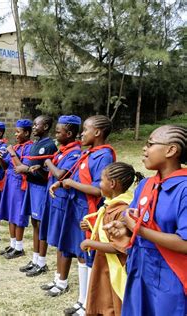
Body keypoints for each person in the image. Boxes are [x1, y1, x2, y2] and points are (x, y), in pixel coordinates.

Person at [104, 125, 187, 316]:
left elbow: (185, 242)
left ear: (171, 150)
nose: (144, 148)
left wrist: (139, 230)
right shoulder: (146, 184)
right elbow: (133, 219)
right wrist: (125, 228)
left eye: (150, 144)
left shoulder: (184, 189)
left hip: (170, 276)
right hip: (140, 270)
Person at [50, 115, 116, 315]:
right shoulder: (89, 153)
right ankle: (82, 300)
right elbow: (76, 175)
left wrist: (70, 184)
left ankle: (89, 303)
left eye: (86, 130)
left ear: (97, 132)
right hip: (77, 207)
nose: (82, 134)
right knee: (80, 253)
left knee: (88, 255)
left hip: (90, 210)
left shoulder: (104, 155)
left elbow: (99, 190)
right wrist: (61, 182)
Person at [80, 162, 142, 316]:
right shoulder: (110, 205)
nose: (99, 184)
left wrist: (89, 242)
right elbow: (108, 233)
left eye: (101, 180)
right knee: (103, 300)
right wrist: (91, 228)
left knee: (112, 303)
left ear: (112, 183)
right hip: (103, 264)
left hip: (114, 267)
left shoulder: (123, 210)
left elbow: (120, 246)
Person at [37, 115, 82, 297]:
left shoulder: (75, 153)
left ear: (69, 133)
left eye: (58, 132)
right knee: (56, 240)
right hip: (54, 198)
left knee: (63, 242)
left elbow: (62, 174)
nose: (56, 135)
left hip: (63, 201)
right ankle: (57, 277)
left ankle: (62, 282)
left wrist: (47, 162)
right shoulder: (63, 151)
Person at [17, 115, 57, 276]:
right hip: (32, 187)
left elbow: (46, 173)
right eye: (33, 125)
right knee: (34, 223)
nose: (33, 128)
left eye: (36, 125)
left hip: (41, 189)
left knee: (41, 225)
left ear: (45, 126)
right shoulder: (36, 144)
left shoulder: (48, 146)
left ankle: (42, 262)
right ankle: (34, 259)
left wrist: (26, 170)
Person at [0, 119, 33, 259]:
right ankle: (12, 244)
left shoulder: (30, 147)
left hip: (20, 184)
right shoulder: (16, 147)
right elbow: (6, 166)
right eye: (16, 131)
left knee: (18, 215)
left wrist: (11, 153)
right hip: (10, 182)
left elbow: (22, 168)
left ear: (27, 133)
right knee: (10, 213)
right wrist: (0, 159)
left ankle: (19, 247)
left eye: (19, 132)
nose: (16, 134)